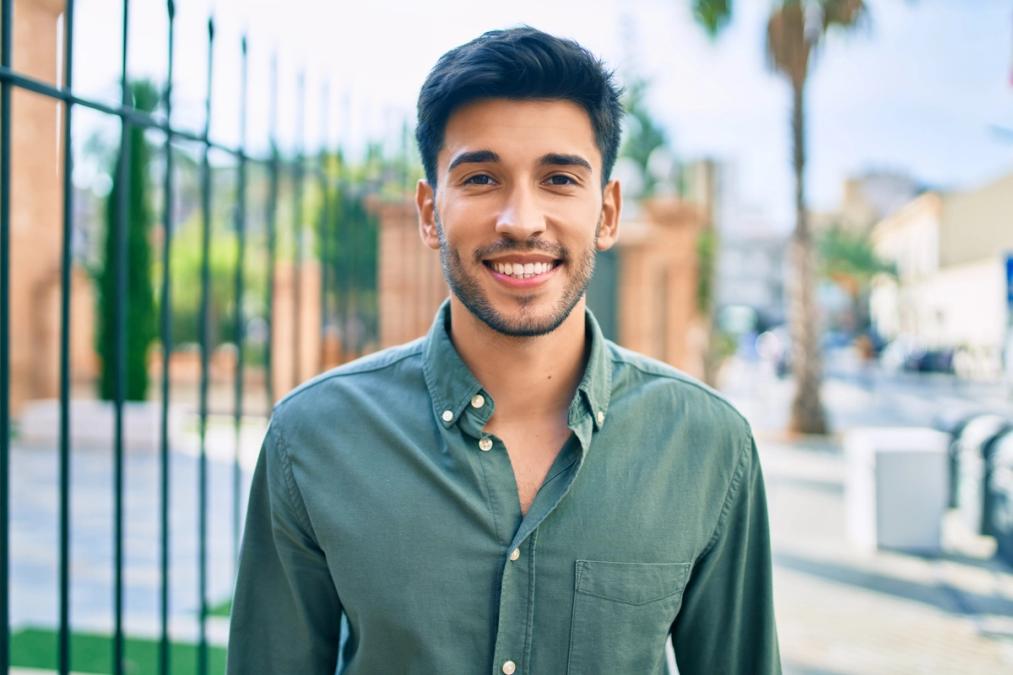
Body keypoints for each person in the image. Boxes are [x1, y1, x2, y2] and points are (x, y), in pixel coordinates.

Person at [227, 26, 780, 675]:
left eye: (558, 178)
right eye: (482, 177)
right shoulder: (311, 438)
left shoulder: (707, 445)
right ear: (429, 212)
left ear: (606, 213)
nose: (520, 219)